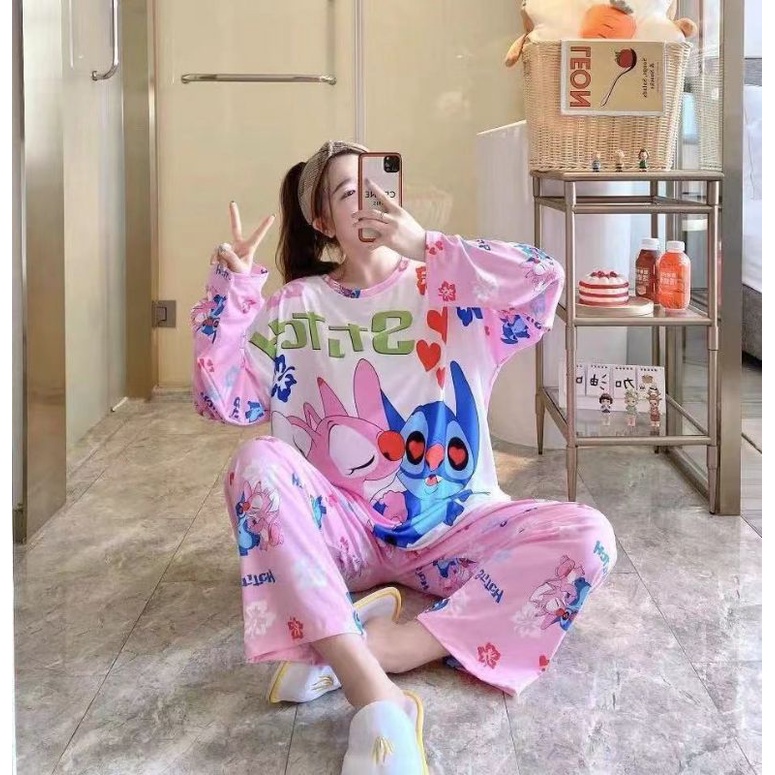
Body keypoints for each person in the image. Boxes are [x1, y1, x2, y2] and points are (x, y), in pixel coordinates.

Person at [191, 140, 617, 774]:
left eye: (377, 185)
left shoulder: (451, 287)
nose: (369, 201)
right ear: (322, 222)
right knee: (254, 461)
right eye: (347, 193)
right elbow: (222, 400)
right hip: (342, 536)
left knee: (589, 537)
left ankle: (389, 645)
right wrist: (231, 293)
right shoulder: (295, 306)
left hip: (454, 529)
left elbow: (543, 280)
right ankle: (375, 694)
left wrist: (427, 246)